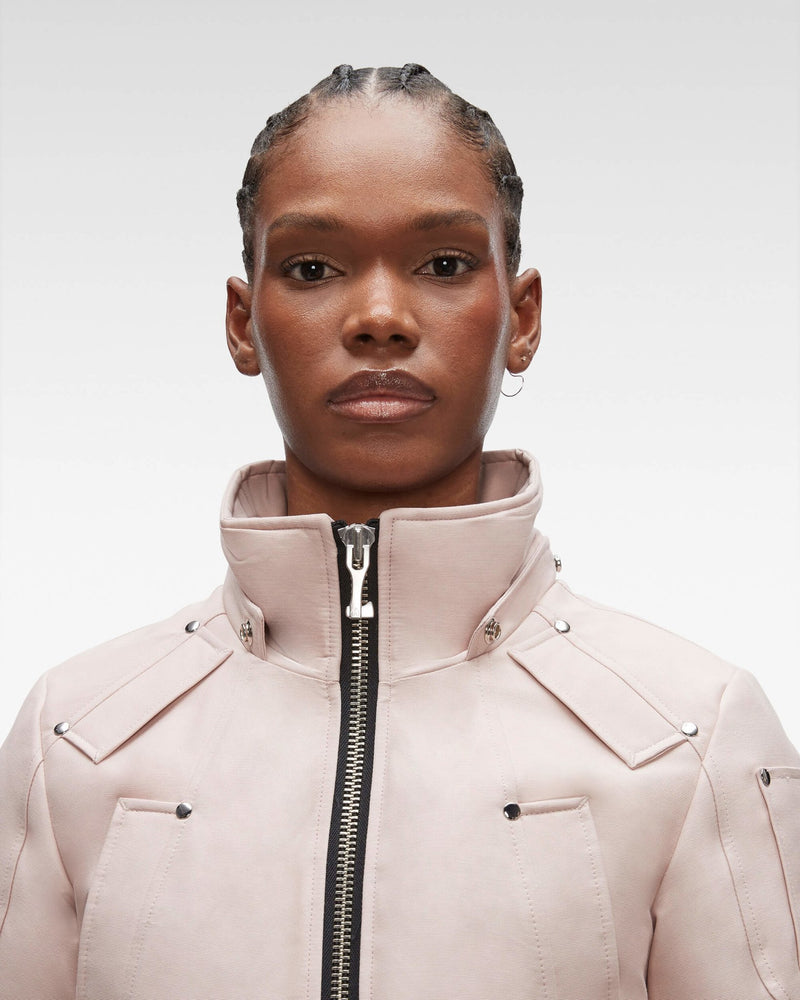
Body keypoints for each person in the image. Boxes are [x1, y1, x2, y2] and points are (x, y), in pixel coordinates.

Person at [0, 63, 797, 1000]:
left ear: (522, 318)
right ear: (244, 322)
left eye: (444, 264)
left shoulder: (692, 735)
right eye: (312, 268)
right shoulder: (73, 739)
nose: (379, 318)